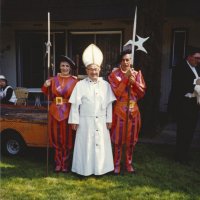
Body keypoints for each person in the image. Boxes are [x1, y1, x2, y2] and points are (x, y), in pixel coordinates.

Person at [68, 44, 116, 176]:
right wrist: (74, 121)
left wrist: (109, 119)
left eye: (95, 69)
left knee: (101, 145)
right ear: (86, 70)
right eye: (90, 70)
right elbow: (74, 105)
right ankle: (84, 169)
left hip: (101, 121)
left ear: (100, 69)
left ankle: (101, 169)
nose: (93, 72)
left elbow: (109, 104)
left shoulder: (106, 86)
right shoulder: (80, 85)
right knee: (86, 145)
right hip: (85, 122)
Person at [108, 49, 146, 174]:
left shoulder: (137, 73)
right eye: (123, 60)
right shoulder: (114, 75)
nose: (125, 62)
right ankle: (117, 164)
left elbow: (141, 93)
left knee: (131, 140)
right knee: (118, 139)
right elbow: (116, 93)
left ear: (131, 60)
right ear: (120, 61)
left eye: (128, 59)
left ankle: (128, 164)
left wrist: (133, 82)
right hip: (120, 110)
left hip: (133, 110)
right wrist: (125, 79)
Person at [41, 55, 78, 173]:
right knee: (56, 137)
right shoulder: (52, 80)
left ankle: (65, 163)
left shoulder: (75, 81)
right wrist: (45, 85)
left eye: (67, 66)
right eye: (62, 65)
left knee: (67, 138)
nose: (65, 68)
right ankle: (58, 163)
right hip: (54, 111)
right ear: (59, 66)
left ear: (70, 68)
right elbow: (46, 92)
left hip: (67, 111)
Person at [168, 46, 200, 164]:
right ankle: (179, 155)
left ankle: (185, 153)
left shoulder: (197, 68)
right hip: (184, 104)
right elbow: (179, 86)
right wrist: (196, 86)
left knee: (191, 129)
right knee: (183, 130)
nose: (198, 61)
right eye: (196, 58)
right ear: (189, 57)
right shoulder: (180, 67)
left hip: (194, 104)